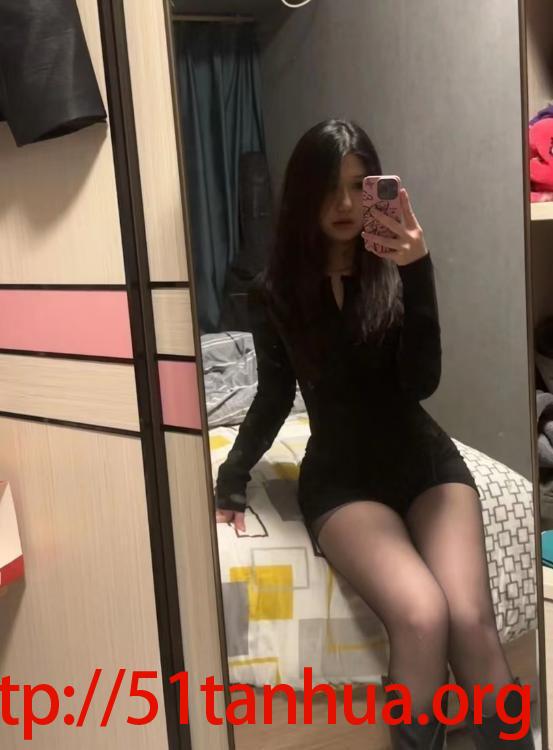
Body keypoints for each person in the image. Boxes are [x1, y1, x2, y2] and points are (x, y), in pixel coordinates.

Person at [215, 119, 534, 749]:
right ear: (303, 194)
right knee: (421, 615)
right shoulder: (274, 292)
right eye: (328, 188)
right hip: (343, 478)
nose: (344, 203)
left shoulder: (395, 267)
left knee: (470, 619)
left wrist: (418, 270)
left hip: (425, 464)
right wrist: (233, 475)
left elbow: (421, 382)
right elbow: (275, 396)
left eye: (359, 186)